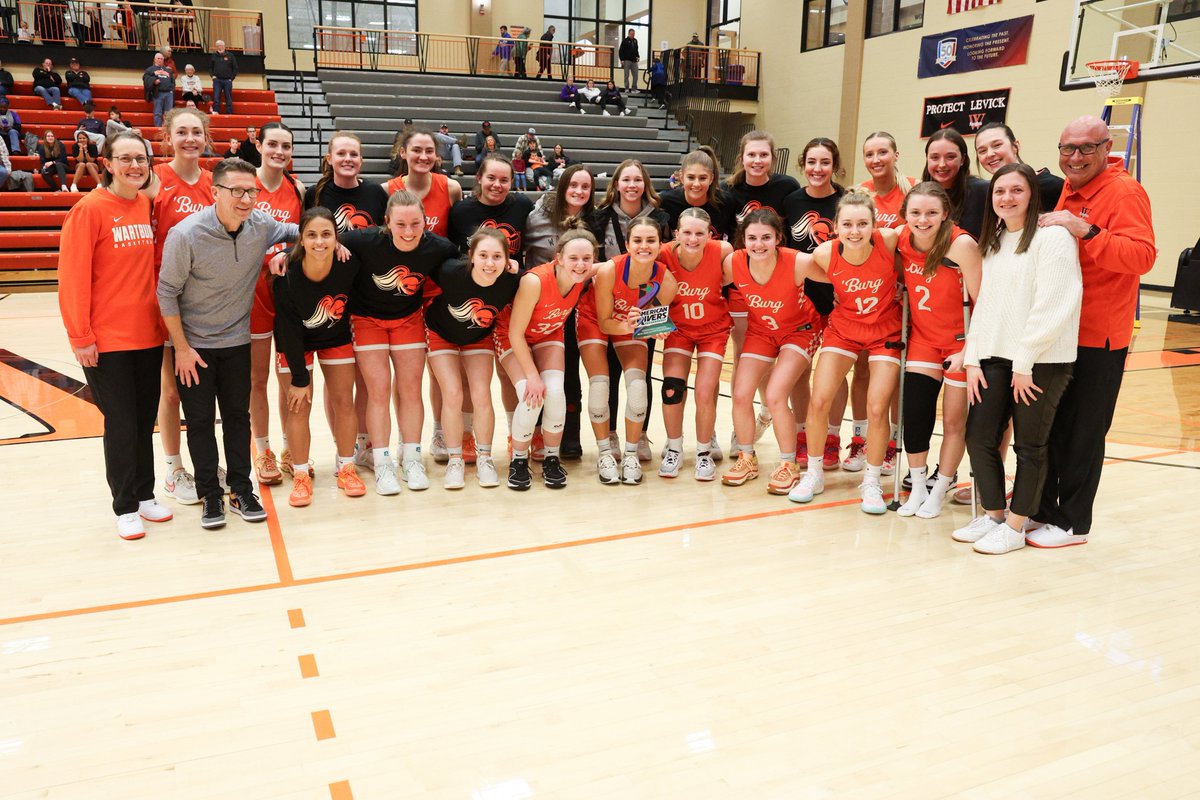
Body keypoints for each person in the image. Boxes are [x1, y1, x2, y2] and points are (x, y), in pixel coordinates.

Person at [1026, 116, 1155, 549]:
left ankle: (1072, 523)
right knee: (1052, 428)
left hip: (1099, 336)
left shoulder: (1123, 191)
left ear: (1106, 148)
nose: (1075, 157)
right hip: (1062, 331)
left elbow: (1142, 256)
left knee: (1083, 432)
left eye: (1085, 148)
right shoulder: (1070, 187)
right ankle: (1041, 512)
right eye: (1067, 149)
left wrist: (1086, 230)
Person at [157, 158, 301, 530]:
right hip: (194, 348)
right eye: (235, 190)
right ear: (215, 191)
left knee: (238, 419)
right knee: (202, 422)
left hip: (237, 341)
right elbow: (166, 293)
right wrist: (182, 349)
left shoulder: (260, 225)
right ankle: (210, 495)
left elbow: (299, 230)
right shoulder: (186, 234)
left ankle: (240, 488)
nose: (245, 198)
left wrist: (295, 249)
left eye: (251, 190)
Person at [952, 163, 1082, 554]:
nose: (1006, 198)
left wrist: (1024, 363)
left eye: (1016, 190)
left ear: (1032, 195)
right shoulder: (993, 238)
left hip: (1041, 360)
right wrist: (973, 357)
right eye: (999, 191)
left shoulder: (1053, 236)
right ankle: (993, 515)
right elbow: (987, 304)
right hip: (996, 354)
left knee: (1030, 446)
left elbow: (1055, 304)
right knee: (978, 436)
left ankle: (1016, 524)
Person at [57, 132, 174, 540]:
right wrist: (80, 335)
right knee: (122, 423)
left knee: (144, 421)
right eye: (125, 159)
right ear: (106, 163)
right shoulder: (89, 210)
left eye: (141, 159)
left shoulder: (144, 204)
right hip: (106, 341)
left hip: (147, 334)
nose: (135, 166)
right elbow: (71, 277)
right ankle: (124, 505)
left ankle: (144, 495)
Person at [789, 191, 902, 515]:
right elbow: (804, 271)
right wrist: (838, 288)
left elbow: (915, 257)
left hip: (885, 332)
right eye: (848, 224)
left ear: (874, 224)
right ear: (836, 225)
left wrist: (901, 285)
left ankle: (871, 481)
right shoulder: (825, 253)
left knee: (878, 407)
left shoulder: (890, 240)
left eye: (863, 224)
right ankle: (814, 474)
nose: (855, 231)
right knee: (820, 399)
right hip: (844, 330)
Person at [343, 190, 461, 494]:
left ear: (425, 222)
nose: (409, 232)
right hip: (366, 319)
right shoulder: (362, 241)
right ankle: (382, 464)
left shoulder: (438, 247)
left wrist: (511, 268)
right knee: (378, 390)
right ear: (387, 223)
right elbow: (322, 244)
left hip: (408, 319)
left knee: (410, 388)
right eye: (401, 225)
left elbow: (467, 268)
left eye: (415, 224)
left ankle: (411, 458)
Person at [892, 182, 982, 519]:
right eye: (915, 212)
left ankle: (940, 487)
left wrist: (970, 350)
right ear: (906, 215)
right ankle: (917, 487)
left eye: (931, 213)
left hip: (960, 342)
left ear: (945, 214)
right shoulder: (901, 239)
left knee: (955, 421)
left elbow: (983, 300)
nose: (923, 219)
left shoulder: (961, 245)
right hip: (923, 341)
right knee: (915, 415)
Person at [720, 209, 820, 493]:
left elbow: (837, 275)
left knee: (776, 394)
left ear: (778, 238)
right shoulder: (733, 263)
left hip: (800, 331)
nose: (759, 244)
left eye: (766, 237)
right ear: (744, 239)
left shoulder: (798, 261)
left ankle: (789, 464)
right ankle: (747, 457)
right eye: (752, 238)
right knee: (739, 393)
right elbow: (705, 284)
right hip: (762, 332)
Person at [143, 108, 215, 506]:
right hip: (164, 299)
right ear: (167, 137)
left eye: (196, 132)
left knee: (202, 392)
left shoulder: (212, 184)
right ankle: (173, 469)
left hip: (205, 302)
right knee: (170, 393)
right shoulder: (154, 180)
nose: (190, 138)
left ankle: (204, 461)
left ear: (206, 137)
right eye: (182, 132)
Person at [272, 207, 365, 507]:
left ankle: (346, 467)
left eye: (327, 234)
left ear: (337, 239)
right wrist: (300, 378)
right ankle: (300, 473)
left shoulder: (348, 265)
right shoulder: (287, 273)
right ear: (301, 238)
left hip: (335, 337)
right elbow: (287, 329)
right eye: (311, 235)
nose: (319, 242)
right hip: (294, 342)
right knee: (298, 405)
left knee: (343, 402)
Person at [577, 217, 677, 485]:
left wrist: (655, 329)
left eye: (650, 240)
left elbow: (647, 322)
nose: (644, 246)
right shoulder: (610, 270)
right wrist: (635, 324)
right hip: (596, 321)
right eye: (638, 240)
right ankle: (604, 452)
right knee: (600, 385)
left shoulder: (665, 280)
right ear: (628, 244)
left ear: (659, 245)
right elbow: (605, 321)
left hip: (627, 326)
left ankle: (631, 453)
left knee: (637, 388)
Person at [499, 229, 597, 488]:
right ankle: (519, 460)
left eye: (587, 258)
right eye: (573, 258)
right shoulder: (535, 281)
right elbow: (515, 332)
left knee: (555, 393)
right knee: (531, 396)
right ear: (559, 258)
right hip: (513, 336)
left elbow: (620, 263)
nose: (581, 264)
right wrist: (532, 376)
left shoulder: (585, 273)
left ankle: (551, 458)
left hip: (548, 334)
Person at [724, 131, 802, 448]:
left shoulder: (787, 188)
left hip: (780, 283)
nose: (757, 161)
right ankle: (741, 429)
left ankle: (771, 411)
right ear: (742, 157)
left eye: (763, 155)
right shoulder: (728, 192)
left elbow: (794, 237)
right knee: (745, 356)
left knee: (778, 359)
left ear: (772, 157)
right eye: (751, 155)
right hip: (743, 285)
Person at [425, 227, 519, 489]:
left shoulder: (512, 281)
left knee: (481, 394)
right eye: (484, 255)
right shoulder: (451, 272)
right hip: (440, 332)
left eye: (498, 257)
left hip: (478, 336)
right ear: (472, 256)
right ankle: (455, 459)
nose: (490, 263)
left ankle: (485, 458)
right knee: (452, 393)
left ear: (507, 259)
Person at [594, 159, 670, 462]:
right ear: (616, 184)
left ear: (645, 184)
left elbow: (667, 259)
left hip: (644, 301)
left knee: (643, 371)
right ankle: (611, 432)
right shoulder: (600, 217)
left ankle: (640, 435)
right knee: (610, 370)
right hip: (609, 296)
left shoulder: (661, 217)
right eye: (626, 180)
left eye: (637, 180)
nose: (632, 185)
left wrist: (658, 316)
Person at [781, 138, 848, 472]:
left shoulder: (846, 201)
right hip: (801, 300)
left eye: (824, 162)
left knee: (833, 372)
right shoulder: (791, 201)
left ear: (834, 165)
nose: (817, 169)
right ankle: (804, 433)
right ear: (802, 164)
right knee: (800, 370)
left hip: (839, 299)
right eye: (811, 162)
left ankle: (832, 439)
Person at [524, 164, 599, 460]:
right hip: (537, 307)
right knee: (539, 376)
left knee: (569, 377)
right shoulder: (535, 217)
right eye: (574, 185)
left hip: (573, 307)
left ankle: (569, 437)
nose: (579, 191)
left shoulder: (592, 221)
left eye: (585, 187)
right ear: (563, 186)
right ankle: (535, 434)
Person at [249, 122, 306, 484]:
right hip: (250, 296)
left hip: (287, 297)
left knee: (289, 381)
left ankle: (290, 447)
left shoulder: (297, 188)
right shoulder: (242, 183)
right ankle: (263, 449)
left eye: (286, 146)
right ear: (258, 144)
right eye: (272, 144)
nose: (279, 152)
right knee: (256, 379)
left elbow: (303, 238)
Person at [659, 209, 733, 481]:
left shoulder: (722, 250)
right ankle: (674, 449)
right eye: (687, 233)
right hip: (678, 330)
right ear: (677, 234)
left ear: (710, 234)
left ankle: (703, 453)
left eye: (699, 233)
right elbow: (628, 266)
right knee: (671, 390)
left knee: (704, 392)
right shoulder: (663, 253)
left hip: (713, 330)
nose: (692, 238)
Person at [385, 129, 464, 238]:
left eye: (429, 151)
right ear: (403, 152)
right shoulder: (387, 190)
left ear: (436, 155)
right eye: (417, 150)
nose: (423, 157)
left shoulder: (451, 188)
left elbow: (457, 236)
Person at [304, 131, 389, 232]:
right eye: (341, 154)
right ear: (329, 159)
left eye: (354, 154)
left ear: (361, 161)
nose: (348, 159)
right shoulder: (314, 193)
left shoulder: (376, 192)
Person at [974, 122, 1064, 215]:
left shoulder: (1052, 186)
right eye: (982, 151)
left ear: (1015, 146)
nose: (990, 154)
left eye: (997, 145)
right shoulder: (985, 193)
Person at [922, 127, 988, 240]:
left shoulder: (982, 190)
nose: (942, 164)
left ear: (962, 159)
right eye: (935, 157)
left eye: (950, 157)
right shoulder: (920, 195)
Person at [860, 131, 917, 229]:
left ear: (896, 155)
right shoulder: (857, 193)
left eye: (883, 152)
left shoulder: (915, 188)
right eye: (869, 155)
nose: (876, 160)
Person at [143, 52, 175, 127]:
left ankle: (167, 128)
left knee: (169, 113)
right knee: (158, 113)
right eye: (158, 58)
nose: (160, 60)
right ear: (154, 60)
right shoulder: (150, 69)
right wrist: (154, 81)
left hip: (168, 93)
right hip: (158, 93)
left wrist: (171, 89)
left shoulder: (168, 70)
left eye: (161, 59)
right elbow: (145, 78)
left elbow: (173, 81)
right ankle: (158, 128)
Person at [210, 40, 238, 115]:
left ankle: (229, 113)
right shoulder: (213, 56)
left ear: (224, 46)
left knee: (228, 98)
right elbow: (210, 68)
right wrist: (212, 76)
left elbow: (235, 68)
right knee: (216, 97)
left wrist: (231, 79)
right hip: (217, 80)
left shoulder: (230, 55)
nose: (220, 47)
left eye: (221, 45)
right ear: (216, 47)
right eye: (218, 45)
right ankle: (215, 111)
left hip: (227, 80)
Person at [619, 28, 640, 92]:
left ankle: (634, 89)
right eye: (631, 34)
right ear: (629, 34)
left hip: (634, 61)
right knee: (626, 75)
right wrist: (622, 59)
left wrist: (638, 56)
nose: (632, 35)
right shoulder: (625, 41)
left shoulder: (635, 41)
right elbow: (621, 51)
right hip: (627, 60)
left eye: (633, 34)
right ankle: (627, 88)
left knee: (635, 75)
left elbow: (636, 50)